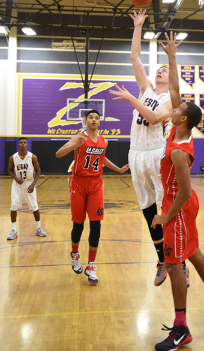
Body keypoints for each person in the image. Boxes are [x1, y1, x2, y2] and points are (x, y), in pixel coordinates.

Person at [151, 32, 204, 351]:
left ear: (182, 119)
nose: (173, 105)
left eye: (178, 107)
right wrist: (172, 56)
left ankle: (182, 328)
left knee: (174, 264)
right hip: (182, 203)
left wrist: (164, 217)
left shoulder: (179, 152)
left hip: (179, 207)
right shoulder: (177, 127)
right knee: (193, 253)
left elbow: (183, 195)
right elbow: (175, 89)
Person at [109, 9, 189, 287]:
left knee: (166, 205)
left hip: (156, 152)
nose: (159, 71)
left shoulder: (171, 99)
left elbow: (155, 118)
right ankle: (161, 260)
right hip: (136, 152)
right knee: (146, 208)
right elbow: (134, 57)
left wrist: (131, 99)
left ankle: (180, 259)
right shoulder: (145, 88)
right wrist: (138, 26)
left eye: (164, 69)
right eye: (158, 69)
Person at [56, 109, 129, 284]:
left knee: (96, 224)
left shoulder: (104, 140)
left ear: (100, 122)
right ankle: (74, 254)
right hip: (78, 183)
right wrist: (75, 146)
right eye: (91, 117)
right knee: (78, 224)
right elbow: (59, 153)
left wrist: (118, 169)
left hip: (96, 184)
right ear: (86, 121)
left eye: (97, 118)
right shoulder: (80, 137)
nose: (94, 120)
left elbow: (102, 159)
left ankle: (91, 265)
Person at [7, 137, 46, 240]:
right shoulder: (13, 158)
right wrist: (15, 178)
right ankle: (13, 230)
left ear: (27, 145)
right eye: (21, 143)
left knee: (34, 206)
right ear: (18, 145)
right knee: (13, 206)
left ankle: (38, 228)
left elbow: (38, 171)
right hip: (17, 184)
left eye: (24, 142)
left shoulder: (32, 157)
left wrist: (33, 183)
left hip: (29, 182)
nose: (23, 144)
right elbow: (9, 170)